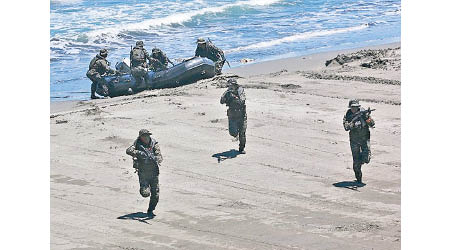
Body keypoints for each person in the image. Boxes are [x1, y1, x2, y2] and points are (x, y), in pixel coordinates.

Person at [126, 129, 163, 217]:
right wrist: (139, 153)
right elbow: (128, 150)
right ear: (141, 137)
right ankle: (144, 189)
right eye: (144, 136)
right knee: (145, 193)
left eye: (148, 135)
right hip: (143, 173)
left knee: (156, 194)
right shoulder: (137, 144)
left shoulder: (154, 143)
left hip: (154, 172)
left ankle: (150, 210)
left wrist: (156, 158)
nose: (146, 137)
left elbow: (159, 156)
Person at [343, 100, 375, 184]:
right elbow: (346, 127)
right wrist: (353, 122)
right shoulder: (348, 115)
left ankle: (360, 160)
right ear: (350, 107)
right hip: (354, 140)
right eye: (352, 107)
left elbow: (372, 124)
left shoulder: (363, 113)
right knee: (356, 164)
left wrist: (366, 118)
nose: (354, 109)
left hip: (364, 139)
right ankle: (358, 179)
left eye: (356, 107)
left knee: (366, 159)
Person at [220, 78, 247, 153]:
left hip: (242, 115)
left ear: (235, 85)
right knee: (233, 133)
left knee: (242, 132)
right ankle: (236, 136)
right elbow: (221, 102)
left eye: (231, 85)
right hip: (232, 115)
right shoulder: (227, 92)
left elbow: (242, 101)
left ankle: (241, 148)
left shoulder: (240, 90)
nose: (230, 87)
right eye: (229, 86)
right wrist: (225, 95)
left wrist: (234, 97)